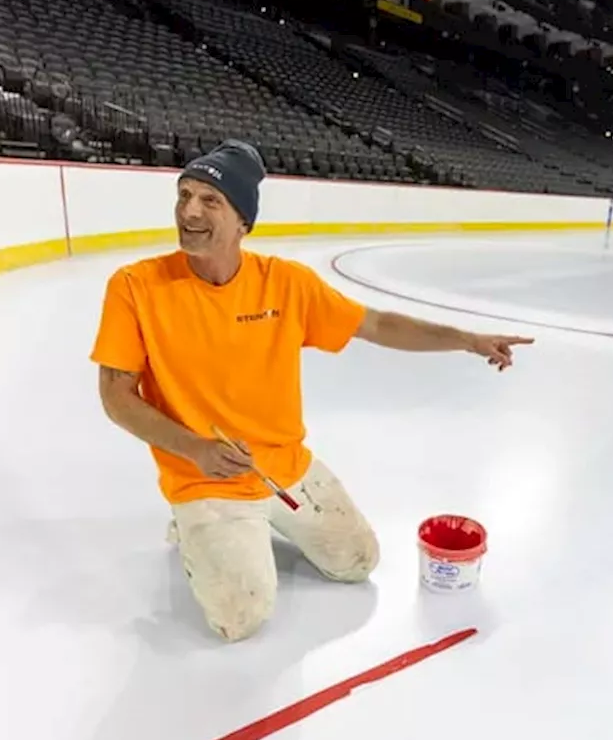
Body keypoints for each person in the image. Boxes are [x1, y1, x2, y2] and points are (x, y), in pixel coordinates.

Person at [90, 140, 534, 642]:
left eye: (210, 200)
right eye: (184, 195)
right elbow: (115, 395)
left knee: (357, 561)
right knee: (242, 616)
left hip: (285, 465)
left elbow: (378, 325)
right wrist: (195, 449)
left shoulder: (286, 284)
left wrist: (467, 340)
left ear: (243, 221)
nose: (189, 211)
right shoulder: (134, 287)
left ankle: (252, 525)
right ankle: (194, 523)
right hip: (204, 475)